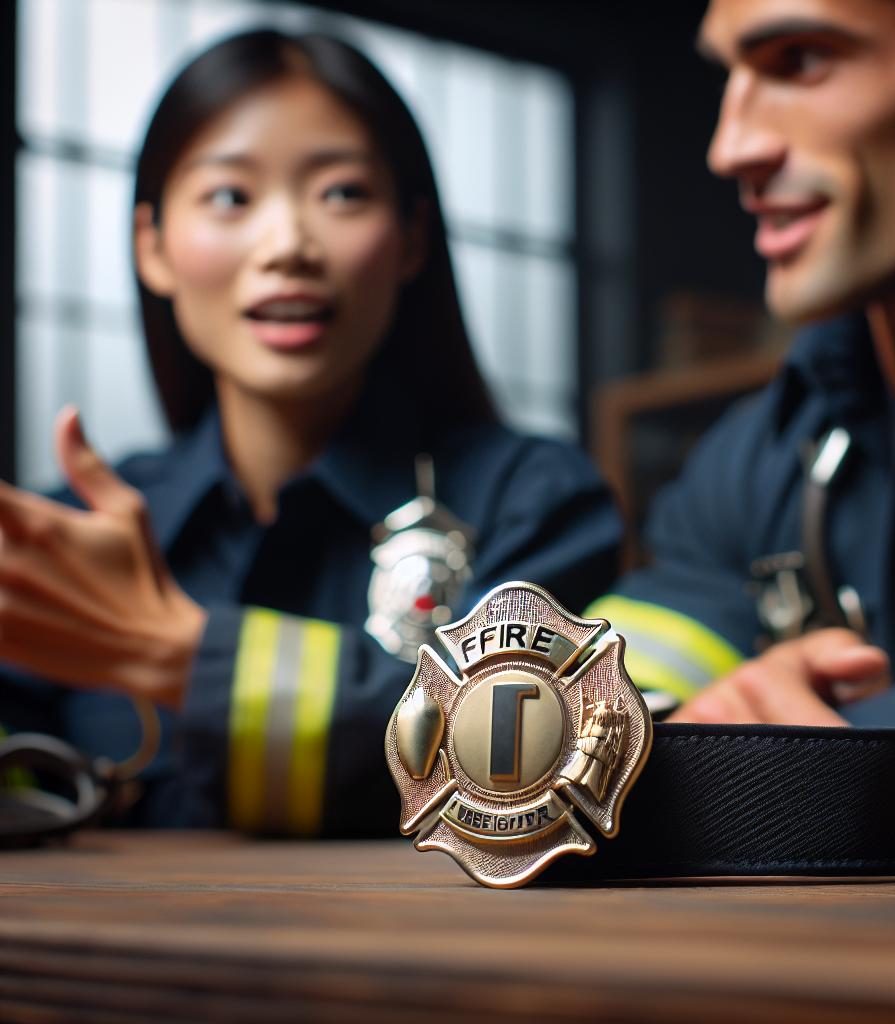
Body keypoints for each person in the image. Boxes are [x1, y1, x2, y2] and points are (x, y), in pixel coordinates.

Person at [0, 29, 621, 836]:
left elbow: (523, 780)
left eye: (342, 194)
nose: (288, 245)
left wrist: (183, 660)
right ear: (151, 247)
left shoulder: (532, 502)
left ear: (410, 242)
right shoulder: (78, 541)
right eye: (230, 197)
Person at [588, 0, 895, 843]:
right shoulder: (758, 447)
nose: (732, 147)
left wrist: (787, 767)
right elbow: (583, 705)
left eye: (800, 61)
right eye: (730, 76)